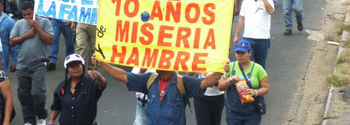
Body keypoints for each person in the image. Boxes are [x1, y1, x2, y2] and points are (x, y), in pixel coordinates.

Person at [91, 54, 224, 125]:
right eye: (158, 65)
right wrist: (103, 65)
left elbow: (206, 82)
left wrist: (220, 71)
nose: (159, 68)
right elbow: (124, 75)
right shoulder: (149, 79)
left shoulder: (183, 82)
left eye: (163, 65)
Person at [10, 1, 53, 125]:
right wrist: (27, 35)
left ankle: (41, 115)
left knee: (38, 93)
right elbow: (12, 41)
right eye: (24, 15)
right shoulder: (19, 24)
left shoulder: (45, 22)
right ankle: (28, 120)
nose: (27, 17)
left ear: (34, 11)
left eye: (29, 14)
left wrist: (37, 27)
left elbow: (50, 40)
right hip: (22, 64)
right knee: (24, 95)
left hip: (39, 63)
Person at [218, 40, 269, 125]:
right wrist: (229, 80)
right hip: (233, 112)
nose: (240, 56)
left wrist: (255, 92)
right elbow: (221, 87)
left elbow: (266, 88)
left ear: (249, 53)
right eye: (238, 53)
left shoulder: (258, 69)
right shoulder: (229, 67)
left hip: (252, 112)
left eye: (243, 53)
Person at [48, 54, 106, 125]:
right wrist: (51, 120)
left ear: (82, 67)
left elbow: (102, 85)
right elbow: (56, 106)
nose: (76, 68)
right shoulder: (61, 86)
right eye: (72, 67)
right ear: (67, 70)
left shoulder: (91, 83)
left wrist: (99, 76)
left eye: (78, 66)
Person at [234, 0, 275, 69]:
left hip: (263, 38)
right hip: (248, 37)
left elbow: (271, 11)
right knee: (247, 65)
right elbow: (242, 19)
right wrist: (236, 35)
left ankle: (260, 82)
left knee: (260, 66)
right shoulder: (247, 0)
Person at [73, 0, 97, 70]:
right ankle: (80, 69)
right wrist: (73, 21)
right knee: (80, 46)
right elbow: (75, 5)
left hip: (94, 22)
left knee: (93, 47)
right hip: (81, 21)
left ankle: (92, 70)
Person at [0, 0, 17, 73]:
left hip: (2, 63)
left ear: (2, 7)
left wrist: (15, 61)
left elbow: (14, 44)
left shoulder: (9, 22)